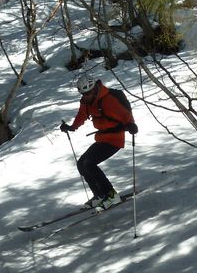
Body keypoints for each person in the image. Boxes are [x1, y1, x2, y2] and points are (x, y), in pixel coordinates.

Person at [59, 75, 138, 210]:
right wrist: (72, 127)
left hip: (115, 138)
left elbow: (125, 114)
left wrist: (131, 124)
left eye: (88, 93)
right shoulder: (86, 101)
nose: (87, 96)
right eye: (84, 94)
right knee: (81, 164)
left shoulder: (108, 100)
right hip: (102, 138)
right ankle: (99, 195)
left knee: (89, 163)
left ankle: (111, 195)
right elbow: (81, 115)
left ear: (95, 89)